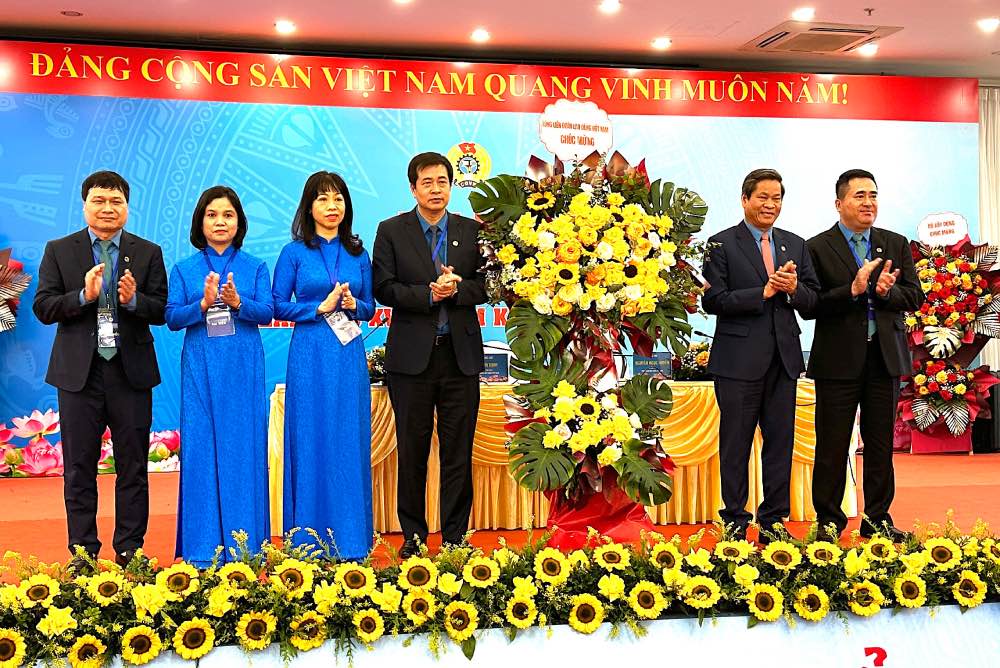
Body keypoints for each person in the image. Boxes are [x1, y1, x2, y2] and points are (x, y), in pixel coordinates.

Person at [32, 170, 167, 568]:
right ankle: (82, 552)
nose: (107, 209)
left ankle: (129, 548)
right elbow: (44, 307)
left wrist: (133, 301)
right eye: (99, 201)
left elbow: (161, 310)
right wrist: (82, 295)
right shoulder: (60, 250)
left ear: (126, 206)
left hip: (130, 373)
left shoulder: (147, 252)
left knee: (133, 466)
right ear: (85, 204)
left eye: (116, 202)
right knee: (77, 468)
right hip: (79, 374)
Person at [372, 151, 487, 557]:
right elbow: (382, 287)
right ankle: (414, 538)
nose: (435, 189)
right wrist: (426, 294)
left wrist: (457, 290)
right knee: (413, 452)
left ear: (451, 186)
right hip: (411, 361)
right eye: (427, 182)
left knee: (458, 453)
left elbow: (488, 286)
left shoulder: (472, 231)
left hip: (460, 359)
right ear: (412, 188)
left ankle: (456, 539)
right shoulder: (391, 230)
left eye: (442, 181)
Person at [804, 169, 922, 542]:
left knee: (881, 444)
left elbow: (914, 297)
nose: (868, 202)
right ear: (839, 203)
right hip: (837, 360)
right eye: (859, 196)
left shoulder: (895, 242)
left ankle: (877, 518)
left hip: (884, 358)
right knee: (832, 444)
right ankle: (827, 520)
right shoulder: (817, 247)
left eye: (873, 195)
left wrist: (887, 293)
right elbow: (811, 305)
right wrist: (852, 290)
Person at [702, 168, 819, 544]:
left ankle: (773, 520)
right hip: (737, 362)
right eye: (763, 197)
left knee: (780, 443)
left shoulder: (796, 244)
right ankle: (735, 520)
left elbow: (812, 300)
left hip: (783, 361)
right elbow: (713, 300)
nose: (770, 205)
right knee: (735, 444)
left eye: (777, 198)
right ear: (745, 200)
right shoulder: (721, 245)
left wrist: (794, 288)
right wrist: (763, 292)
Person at [165, 185, 272, 566]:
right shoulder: (184, 268)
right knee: (202, 451)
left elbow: (267, 310)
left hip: (243, 367)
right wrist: (204, 304)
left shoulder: (255, 266)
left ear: (239, 221)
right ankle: (202, 547)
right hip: (200, 368)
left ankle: (248, 545)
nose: (220, 221)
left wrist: (238, 303)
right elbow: (172, 318)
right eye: (212, 214)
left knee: (243, 451)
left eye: (227, 214)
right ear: (201, 221)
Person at [272, 171, 375, 559]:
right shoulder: (294, 253)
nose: (332, 206)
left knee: (348, 438)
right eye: (323, 199)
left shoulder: (357, 253)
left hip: (347, 355)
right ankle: (307, 540)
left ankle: (352, 539)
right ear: (309, 206)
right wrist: (318, 307)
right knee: (310, 437)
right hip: (310, 352)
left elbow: (370, 306)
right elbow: (278, 304)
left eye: (338, 199)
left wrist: (352, 306)